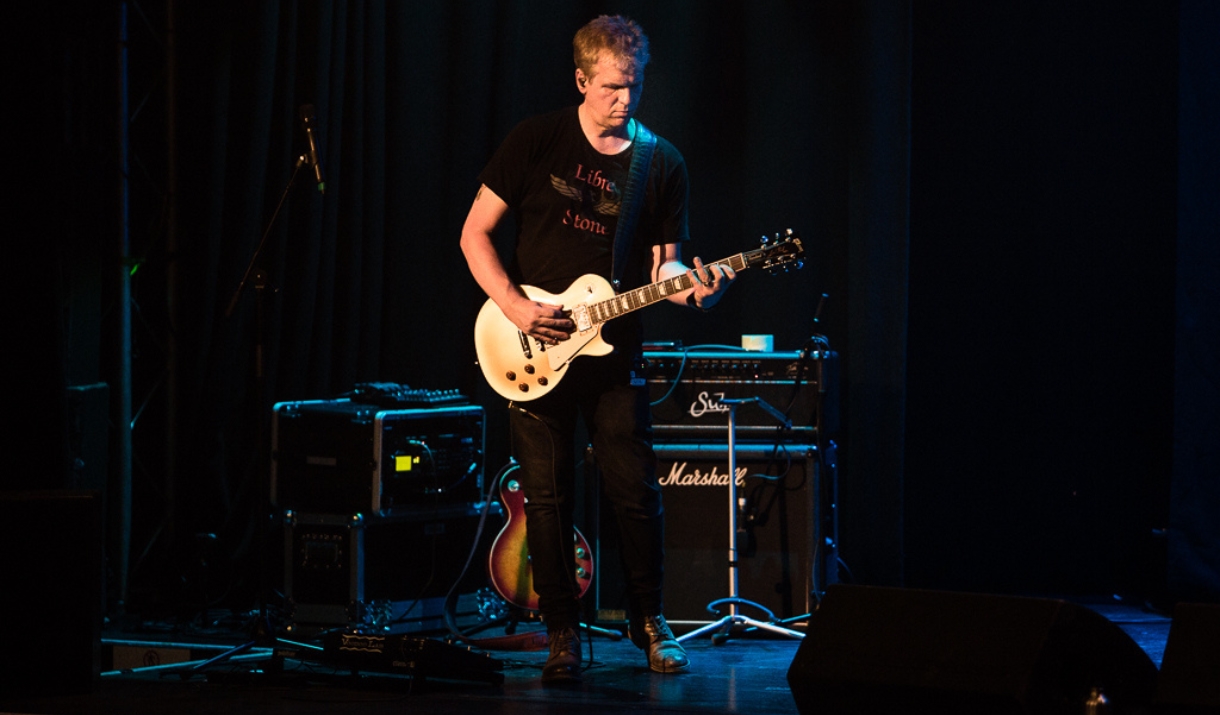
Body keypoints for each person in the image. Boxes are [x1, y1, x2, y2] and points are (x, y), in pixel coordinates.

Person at [460, 14, 735, 683]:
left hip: (615, 356)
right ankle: (560, 632)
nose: (625, 99)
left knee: (636, 491)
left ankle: (650, 620)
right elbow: (474, 234)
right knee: (546, 497)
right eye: (611, 86)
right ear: (581, 79)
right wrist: (519, 306)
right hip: (530, 343)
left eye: (633, 86)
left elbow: (662, 269)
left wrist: (697, 290)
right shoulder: (536, 140)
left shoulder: (659, 162)